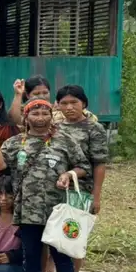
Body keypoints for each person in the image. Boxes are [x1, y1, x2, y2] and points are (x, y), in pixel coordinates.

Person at [0, 99, 92, 272]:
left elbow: (84, 166)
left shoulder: (65, 140)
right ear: (26, 117)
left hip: (57, 210)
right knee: (32, 254)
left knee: (61, 253)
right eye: (34, 112)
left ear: (51, 116)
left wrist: (68, 174)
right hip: (28, 209)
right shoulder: (17, 142)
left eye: (44, 112)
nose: (40, 116)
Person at [56, 85, 108, 218]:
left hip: (81, 190)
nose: (69, 107)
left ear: (83, 103)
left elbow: (99, 163)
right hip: (56, 189)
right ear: (58, 105)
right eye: (64, 103)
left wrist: (96, 197)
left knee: (73, 232)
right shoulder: (55, 128)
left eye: (74, 102)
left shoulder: (94, 128)